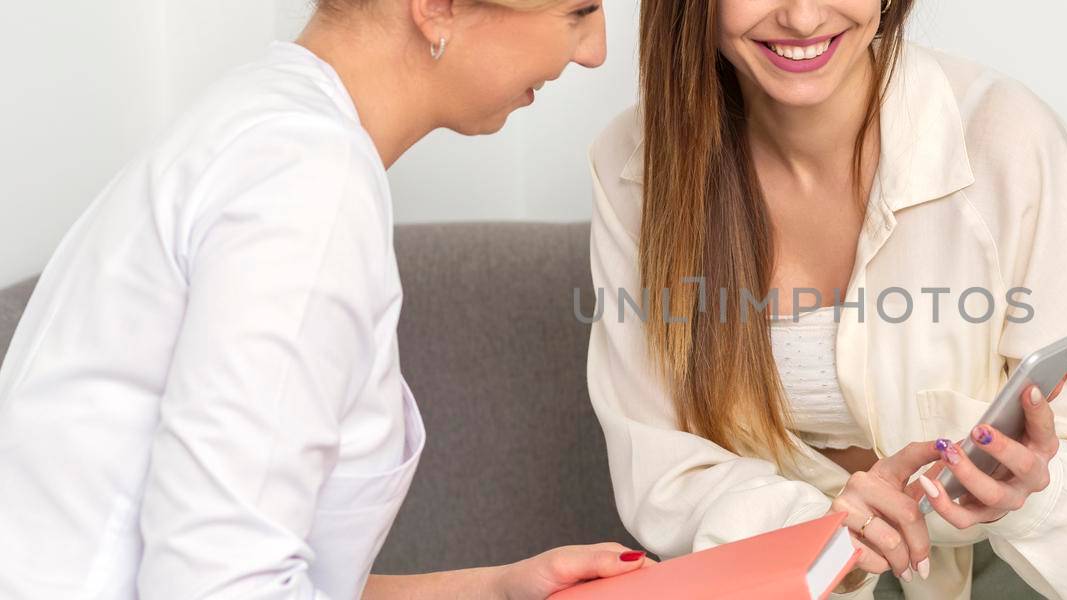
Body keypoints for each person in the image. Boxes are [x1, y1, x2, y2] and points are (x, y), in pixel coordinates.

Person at [0, 1, 647, 598]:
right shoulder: (307, 182)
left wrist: (498, 590)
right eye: (579, 10)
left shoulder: (270, 127)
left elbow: (247, 570)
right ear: (438, 5)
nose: (595, 50)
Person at [585, 0, 1067, 598]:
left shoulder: (1005, 138)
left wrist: (1036, 496)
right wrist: (824, 528)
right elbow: (661, 461)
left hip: (1048, 565)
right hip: (801, 563)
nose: (803, 17)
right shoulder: (638, 167)